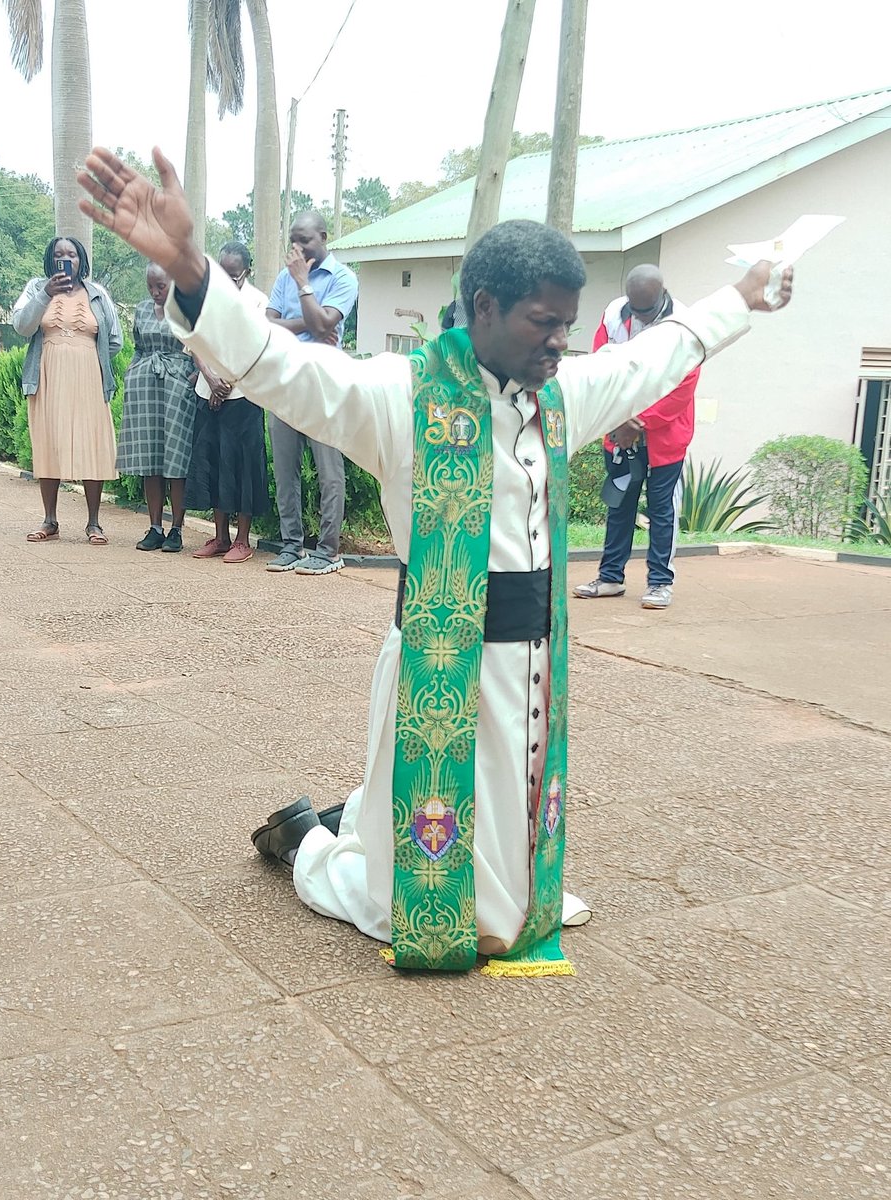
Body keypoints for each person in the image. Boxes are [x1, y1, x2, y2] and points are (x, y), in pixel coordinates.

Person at [77, 147, 792, 978]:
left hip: (531, 669)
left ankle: (376, 830)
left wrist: (745, 295)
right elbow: (283, 366)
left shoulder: (559, 394)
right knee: (408, 905)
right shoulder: (399, 396)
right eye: (542, 322)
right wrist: (192, 270)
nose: (561, 341)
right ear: (482, 306)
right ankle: (312, 842)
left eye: (568, 322)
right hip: (435, 662)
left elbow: (655, 356)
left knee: (516, 889)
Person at [573, 265, 699, 609]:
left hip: (665, 436)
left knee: (661, 510)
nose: (639, 316)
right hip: (619, 430)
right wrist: (618, 421)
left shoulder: (685, 325)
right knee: (619, 505)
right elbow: (601, 366)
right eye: (635, 308)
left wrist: (639, 421)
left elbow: (682, 386)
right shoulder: (614, 314)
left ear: (662, 295)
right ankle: (611, 577)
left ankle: (660, 583)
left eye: (646, 309)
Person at [265, 212, 359, 575]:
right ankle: (293, 546)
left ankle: (328, 550)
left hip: (323, 382)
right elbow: (268, 326)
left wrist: (303, 284)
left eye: (305, 240)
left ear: (323, 236)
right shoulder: (281, 278)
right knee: (285, 468)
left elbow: (327, 323)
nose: (297, 248)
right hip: (285, 380)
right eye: (293, 241)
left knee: (327, 469)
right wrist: (312, 322)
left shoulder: (344, 279)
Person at [12, 236, 122, 544]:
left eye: (71, 255)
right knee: (49, 442)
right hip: (47, 375)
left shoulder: (98, 293)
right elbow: (21, 326)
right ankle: (50, 520)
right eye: (59, 255)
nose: (66, 259)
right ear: (50, 260)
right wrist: (46, 294)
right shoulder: (36, 288)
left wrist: (87, 354)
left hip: (89, 378)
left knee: (94, 443)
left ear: (81, 260)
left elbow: (115, 339)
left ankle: (94, 523)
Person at [184, 241, 271, 564]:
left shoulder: (258, 301)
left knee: (243, 467)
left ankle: (243, 540)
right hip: (208, 393)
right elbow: (194, 340)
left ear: (246, 273)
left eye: (233, 275)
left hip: (244, 397)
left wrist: (228, 384)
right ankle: (220, 537)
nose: (226, 279)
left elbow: (256, 349)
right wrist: (209, 378)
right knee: (213, 461)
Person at [116, 262, 197, 552]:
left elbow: (198, 345)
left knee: (175, 459)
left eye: (160, 286)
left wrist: (194, 374)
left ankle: (176, 528)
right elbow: (138, 345)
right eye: (151, 286)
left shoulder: (185, 308)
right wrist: (132, 370)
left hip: (176, 383)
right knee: (150, 458)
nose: (155, 292)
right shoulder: (140, 309)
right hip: (146, 385)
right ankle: (154, 527)